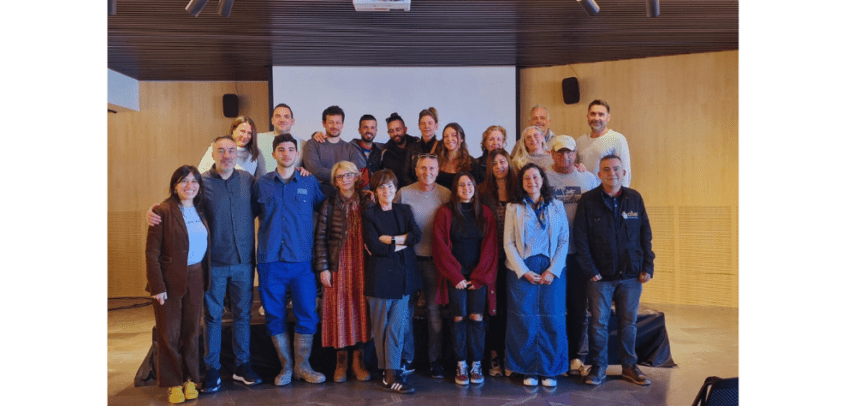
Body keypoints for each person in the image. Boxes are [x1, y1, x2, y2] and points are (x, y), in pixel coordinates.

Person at [147, 136, 263, 392]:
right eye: (221, 150)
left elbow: (263, 205)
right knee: (212, 318)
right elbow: (181, 205)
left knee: (243, 315)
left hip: (244, 261)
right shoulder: (201, 182)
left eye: (231, 150)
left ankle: (243, 365)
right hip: (214, 263)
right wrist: (155, 209)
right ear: (213, 153)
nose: (226, 155)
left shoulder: (247, 181)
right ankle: (212, 370)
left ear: (237, 154)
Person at [574, 154, 654, 386]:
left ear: (624, 172)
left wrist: (647, 265)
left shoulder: (634, 198)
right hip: (599, 277)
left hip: (631, 276)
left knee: (628, 323)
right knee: (599, 324)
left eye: (616, 169)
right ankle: (599, 367)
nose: (612, 173)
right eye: (606, 170)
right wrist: (590, 269)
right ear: (599, 174)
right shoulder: (588, 201)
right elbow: (581, 238)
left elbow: (645, 235)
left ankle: (629, 366)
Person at [255, 134, 327, 385]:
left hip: (302, 262)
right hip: (270, 261)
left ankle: (303, 366)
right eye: (281, 150)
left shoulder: (309, 183)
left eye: (291, 149)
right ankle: (286, 367)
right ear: (274, 154)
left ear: (297, 154)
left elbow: (325, 212)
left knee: (307, 312)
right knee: (274, 316)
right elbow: (246, 215)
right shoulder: (261, 184)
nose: (286, 153)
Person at [145, 165, 209, 404]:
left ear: (199, 186)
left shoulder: (201, 210)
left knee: (191, 332)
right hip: (169, 280)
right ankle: (172, 383)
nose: (189, 186)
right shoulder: (163, 210)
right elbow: (151, 252)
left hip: (196, 277)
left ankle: (190, 379)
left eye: (194, 181)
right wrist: (157, 286)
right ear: (174, 185)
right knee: (168, 334)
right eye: (183, 181)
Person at [503, 163, 569, 388]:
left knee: (553, 318)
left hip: (552, 268)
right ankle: (527, 369)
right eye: (526, 178)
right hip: (522, 270)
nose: (531, 182)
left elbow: (563, 241)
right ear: (521, 183)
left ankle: (550, 370)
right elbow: (508, 243)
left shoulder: (557, 206)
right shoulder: (514, 207)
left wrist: (553, 270)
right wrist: (523, 271)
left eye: (535, 177)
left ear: (542, 180)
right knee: (524, 320)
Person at [432, 172, 498, 386]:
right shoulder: (445, 212)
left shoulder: (485, 213)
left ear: (475, 187)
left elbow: (491, 248)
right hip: (455, 277)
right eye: (461, 184)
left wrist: (478, 277)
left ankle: (476, 363)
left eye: (470, 184)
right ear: (455, 188)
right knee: (459, 318)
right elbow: (440, 245)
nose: (466, 188)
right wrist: (455, 275)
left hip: (478, 276)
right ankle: (461, 364)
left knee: (477, 318)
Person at [544, 135, 601, 378]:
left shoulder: (587, 178)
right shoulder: (543, 177)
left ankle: (575, 357)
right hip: (551, 255)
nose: (564, 157)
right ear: (552, 154)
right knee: (553, 307)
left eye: (569, 152)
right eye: (559, 152)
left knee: (578, 307)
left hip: (579, 254)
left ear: (576, 153)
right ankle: (555, 355)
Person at [362, 169, 423, 394]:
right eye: (381, 187)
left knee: (397, 328)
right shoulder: (369, 215)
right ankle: (386, 371)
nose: (386, 190)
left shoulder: (404, 211)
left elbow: (416, 236)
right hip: (380, 279)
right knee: (381, 329)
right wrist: (400, 243)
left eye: (390, 186)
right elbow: (376, 247)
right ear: (375, 191)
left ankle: (392, 374)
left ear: (395, 189)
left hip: (404, 278)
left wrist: (393, 239)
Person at [313, 161, 373, 383]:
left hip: (363, 264)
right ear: (334, 181)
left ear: (356, 176)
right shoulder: (328, 205)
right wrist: (323, 268)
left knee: (360, 312)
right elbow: (319, 239)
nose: (345, 180)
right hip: (338, 265)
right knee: (339, 313)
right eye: (340, 177)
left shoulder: (367, 200)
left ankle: (359, 361)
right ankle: (341, 362)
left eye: (349, 175)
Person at [394, 154, 451, 379]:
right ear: (416, 170)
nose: (427, 172)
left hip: (434, 263)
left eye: (432, 168)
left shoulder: (446, 194)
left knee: (434, 313)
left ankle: (435, 360)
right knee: (405, 312)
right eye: (423, 168)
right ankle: (407, 358)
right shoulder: (404, 193)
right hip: (408, 261)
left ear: (438, 171)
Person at [476, 148, 517, 377]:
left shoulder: (518, 189)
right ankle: (493, 356)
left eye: (503, 161)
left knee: (513, 309)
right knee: (493, 309)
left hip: (516, 260)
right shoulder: (482, 191)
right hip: (491, 259)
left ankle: (510, 356)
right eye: (494, 163)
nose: (499, 166)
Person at [303, 105, 367, 197]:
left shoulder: (351, 149)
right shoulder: (312, 144)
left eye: (338, 122)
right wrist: (344, 175)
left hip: (345, 197)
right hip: (318, 195)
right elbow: (314, 171)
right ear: (324, 123)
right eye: (331, 122)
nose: (335, 126)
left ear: (342, 125)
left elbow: (354, 174)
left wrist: (325, 175)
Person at [576, 99, 632, 187]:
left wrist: (621, 197)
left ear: (608, 117)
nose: (596, 118)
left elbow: (624, 173)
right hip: (585, 195)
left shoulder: (617, 139)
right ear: (588, 116)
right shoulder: (580, 141)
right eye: (593, 114)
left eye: (601, 114)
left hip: (608, 196)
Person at [199, 116, 267, 178]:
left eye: (249, 133)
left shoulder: (256, 152)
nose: (245, 136)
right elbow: (202, 174)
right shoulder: (217, 147)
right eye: (242, 131)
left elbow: (261, 180)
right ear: (233, 130)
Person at [258, 103, 304, 171]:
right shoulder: (258, 139)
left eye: (286, 116)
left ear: (292, 121)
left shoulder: (303, 144)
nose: (282, 120)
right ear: (272, 121)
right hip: (263, 181)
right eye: (278, 116)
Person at [402, 107, 440, 184]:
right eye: (423, 123)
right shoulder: (411, 148)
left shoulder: (442, 147)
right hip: (415, 191)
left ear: (436, 126)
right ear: (419, 126)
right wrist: (417, 189)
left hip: (437, 192)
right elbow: (405, 174)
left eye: (430, 123)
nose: (426, 126)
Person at [380, 112, 419, 188]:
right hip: (397, 194)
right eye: (391, 131)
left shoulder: (417, 144)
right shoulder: (386, 152)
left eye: (398, 129)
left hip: (419, 191)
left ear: (405, 129)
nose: (395, 134)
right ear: (388, 133)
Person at [436, 122, 481, 188]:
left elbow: (475, 189)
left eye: (454, 135)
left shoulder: (471, 163)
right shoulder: (437, 161)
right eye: (446, 136)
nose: (449, 139)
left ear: (462, 138)